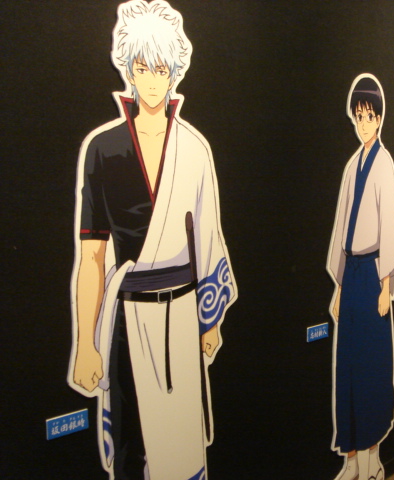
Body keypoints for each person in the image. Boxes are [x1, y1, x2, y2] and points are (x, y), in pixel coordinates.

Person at [67, 2, 237, 479]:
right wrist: (86, 344)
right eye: (142, 67)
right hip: (126, 318)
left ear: (175, 70)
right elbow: (92, 256)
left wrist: (209, 320)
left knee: (180, 449)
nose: (152, 80)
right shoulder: (102, 148)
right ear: (129, 67)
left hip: (183, 314)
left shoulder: (194, 149)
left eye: (161, 69)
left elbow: (208, 241)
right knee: (131, 451)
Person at [328, 73, 394, 480]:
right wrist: (339, 287)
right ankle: (353, 461)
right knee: (349, 367)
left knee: (372, 367)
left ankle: (373, 460)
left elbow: (390, 225)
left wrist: (386, 285)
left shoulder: (384, 164)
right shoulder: (350, 167)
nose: (363, 123)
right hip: (352, 273)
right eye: (358, 116)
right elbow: (342, 230)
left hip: (374, 273)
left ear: (379, 118)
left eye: (369, 116)